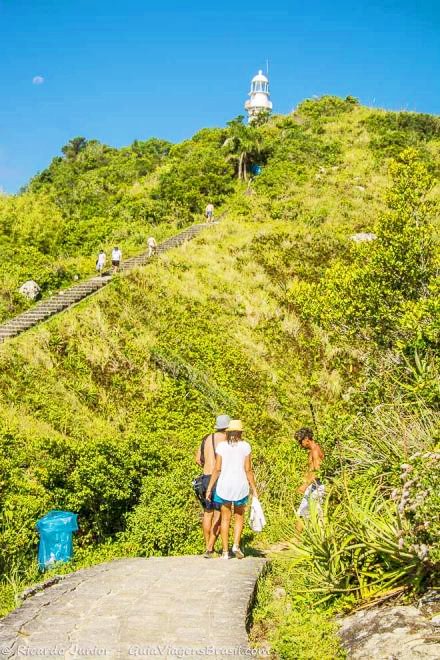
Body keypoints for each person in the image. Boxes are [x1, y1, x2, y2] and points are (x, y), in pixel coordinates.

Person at [206, 419, 258, 560]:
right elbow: (248, 469)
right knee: (239, 517)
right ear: (241, 432)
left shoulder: (222, 447)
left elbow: (217, 469)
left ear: (228, 432)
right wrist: (254, 489)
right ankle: (235, 545)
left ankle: (225, 552)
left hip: (224, 486)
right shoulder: (246, 446)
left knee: (225, 519)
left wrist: (210, 488)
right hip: (240, 485)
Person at [195, 414, 230, 558]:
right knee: (220, 513)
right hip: (218, 478)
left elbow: (197, 460)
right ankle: (210, 548)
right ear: (228, 427)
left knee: (207, 513)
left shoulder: (206, 438)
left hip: (204, 478)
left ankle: (208, 547)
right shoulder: (226, 440)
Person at [295, 428, 325, 530]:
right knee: (302, 512)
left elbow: (317, 471)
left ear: (307, 439)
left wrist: (305, 485)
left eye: (300, 441)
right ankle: (296, 539)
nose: (300, 444)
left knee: (314, 513)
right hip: (312, 486)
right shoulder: (312, 451)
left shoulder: (315, 450)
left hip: (317, 486)